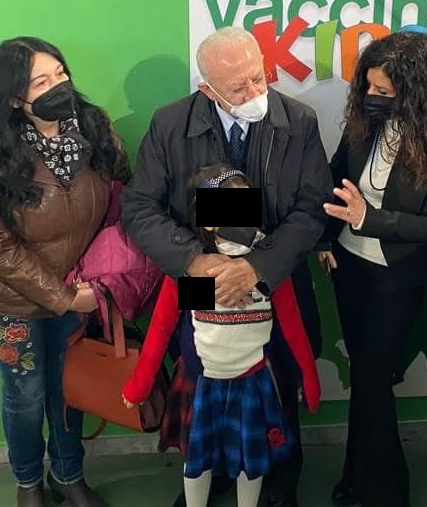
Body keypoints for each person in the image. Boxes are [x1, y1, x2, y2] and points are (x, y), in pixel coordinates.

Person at [122, 26, 330, 507]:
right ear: (207, 88)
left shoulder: (298, 121)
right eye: (238, 87)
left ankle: (279, 485)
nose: (255, 92)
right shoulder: (170, 124)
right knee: (201, 374)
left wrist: (256, 266)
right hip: (199, 279)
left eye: (259, 77)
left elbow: (311, 208)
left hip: (274, 278)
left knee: (278, 378)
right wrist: (192, 261)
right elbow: (139, 207)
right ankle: (208, 473)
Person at [0, 37, 131, 507]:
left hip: (81, 287)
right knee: (26, 394)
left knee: (68, 387)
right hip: (10, 300)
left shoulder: (95, 127)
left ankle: (69, 476)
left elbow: (123, 198)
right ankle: (29, 484)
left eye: (61, 74)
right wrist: (63, 297)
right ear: (15, 97)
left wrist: (101, 279)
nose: (59, 86)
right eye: (41, 82)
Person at [316, 31, 427, 507]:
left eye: (383, 91)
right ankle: (358, 479)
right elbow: (336, 177)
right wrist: (325, 236)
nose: (371, 96)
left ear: (414, 90)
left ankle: (384, 492)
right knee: (367, 381)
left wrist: (368, 219)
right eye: (368, 87)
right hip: (348, 265)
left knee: (371, 380)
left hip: (397, 276)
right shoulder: (364, 118)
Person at [122, 164, 321, 507]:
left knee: (251, 461)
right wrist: (139, 385)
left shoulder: (269, 269)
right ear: (207, 221)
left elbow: (292, 327)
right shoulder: (194, 273)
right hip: (203, 381)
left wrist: (309, 378)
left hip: (252, 380)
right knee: (196, 462)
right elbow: (160, 328)